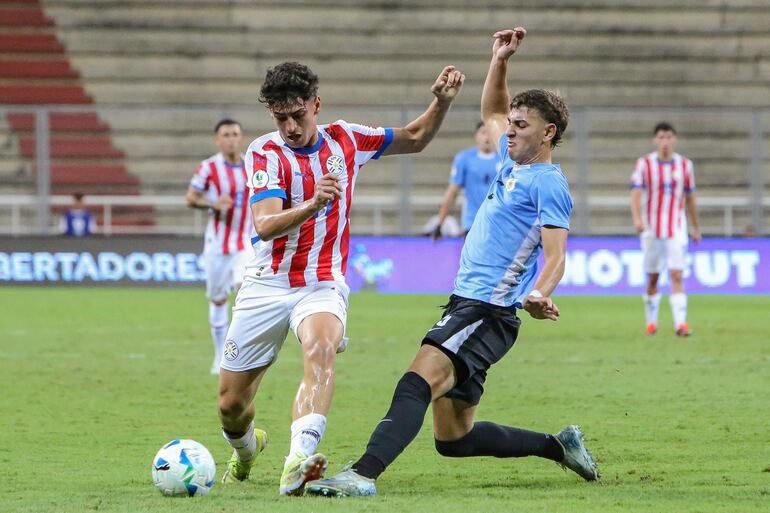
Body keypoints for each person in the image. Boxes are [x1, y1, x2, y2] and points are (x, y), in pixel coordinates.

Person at [305, 27, 599, 498]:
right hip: (468, 303)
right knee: (454, 439)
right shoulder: (513, 162)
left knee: (414, 383)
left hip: (489, 310)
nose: (509, 130)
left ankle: (362, 475)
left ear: (549, 133)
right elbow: (493, 108)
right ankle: (558, 446)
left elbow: (557, 254)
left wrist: (540, 292)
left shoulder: (548, 183)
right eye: (513, 123)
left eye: (522, 125)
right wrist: (499, 61)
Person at [217, 61, 465, 495]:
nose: (290, 127)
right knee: (232, 405)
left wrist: (440, 103)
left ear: (317, 104)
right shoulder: (264, 152)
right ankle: (246, 449)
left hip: (322, 283)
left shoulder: (346, 138)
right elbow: (264, 224)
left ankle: (298, 459)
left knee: (321, 347)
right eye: (281, 118)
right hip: (266, 284)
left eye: (298, 115)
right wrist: (313, 204)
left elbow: (416, 137)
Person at [186, 119, 252, 375]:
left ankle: (239, 355)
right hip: (216, 245)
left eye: (235, 133)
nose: (231, 139)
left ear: (241, 137)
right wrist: (212, 204)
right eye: (226, 135)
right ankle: (219, 356)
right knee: (218, 300)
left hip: (245, 242)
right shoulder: (208, 167)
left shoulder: (252, 164)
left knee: (243, 290)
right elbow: (191, 199)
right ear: (218, 140)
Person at [630, 122, 701, 337]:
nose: (665, 142)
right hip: (651, 228)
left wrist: (695, 227)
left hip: (676, 227)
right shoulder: (644, 164)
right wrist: (637, 219)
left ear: (674, 139)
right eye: (661, 137)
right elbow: (635, 193)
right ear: (655, 140)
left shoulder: (685, 165)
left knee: (677, 274)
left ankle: (681, 324)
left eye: (668, 137)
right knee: (653, 278)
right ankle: (651, 322)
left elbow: (690, 198)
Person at [432, 121, 499, 239]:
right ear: (476, 136)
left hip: (499, 224)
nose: (487, 137)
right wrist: (440, 222)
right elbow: (452, 192)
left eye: (490, 133)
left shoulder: (504, 159)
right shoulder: (464, 159)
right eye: (483, 133)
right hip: (472, 223)